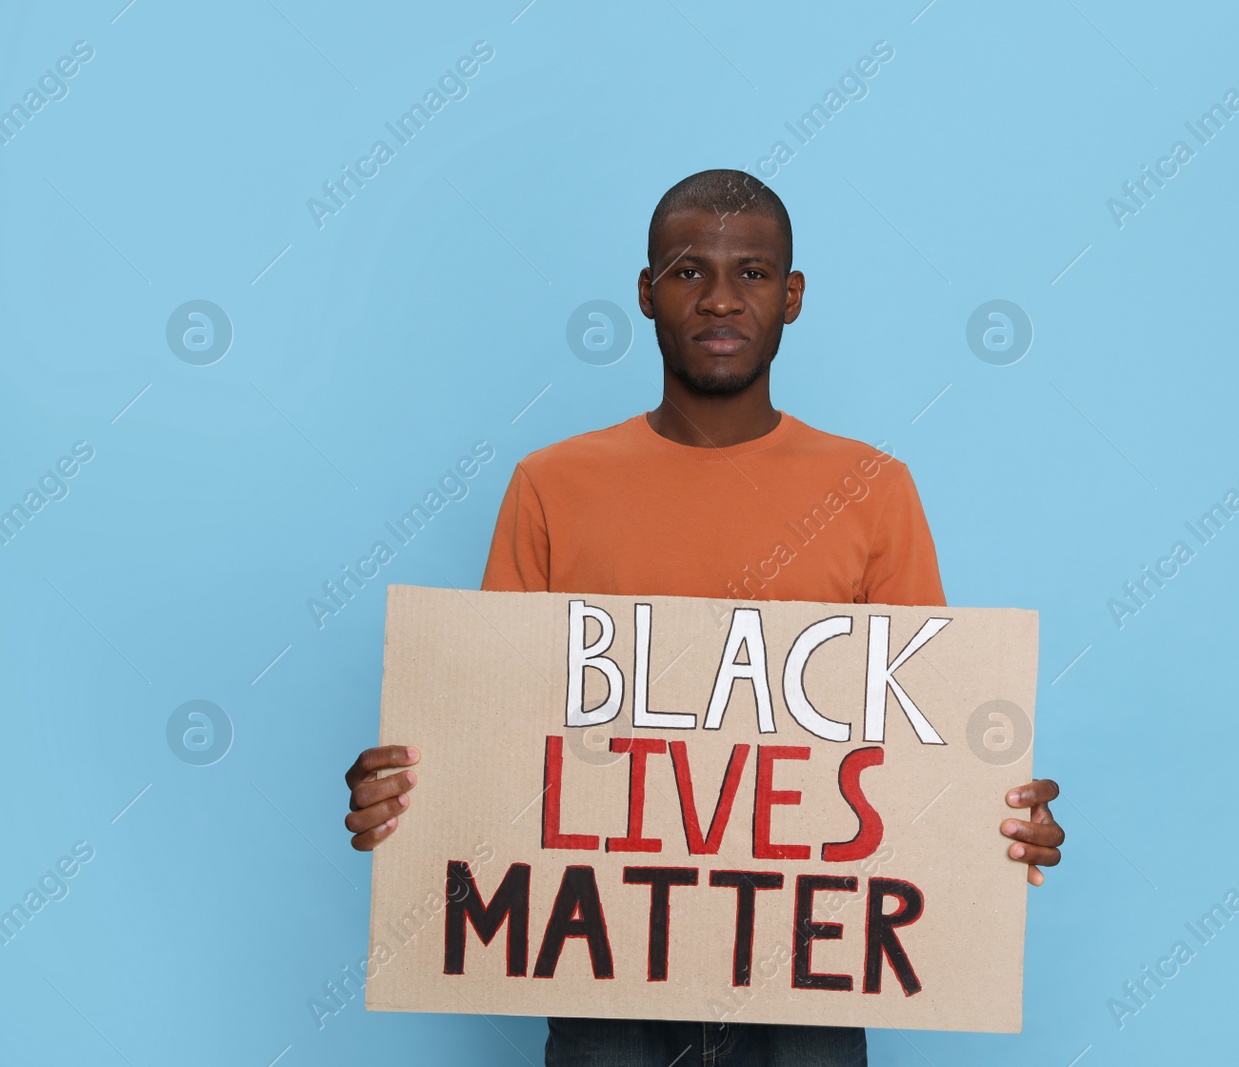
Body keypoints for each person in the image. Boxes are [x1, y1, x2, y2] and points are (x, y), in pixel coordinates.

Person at [343, 169, 1063, 1066]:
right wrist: (415, 789)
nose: (720, 298)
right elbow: (503, 733)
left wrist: (995, 819)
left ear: (792, 296)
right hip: (603, 981)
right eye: (688, 272)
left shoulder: (873, 491)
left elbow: (919, 743)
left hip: (809, 981)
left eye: (753, 273)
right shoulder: (552, 485)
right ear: (646, 292)